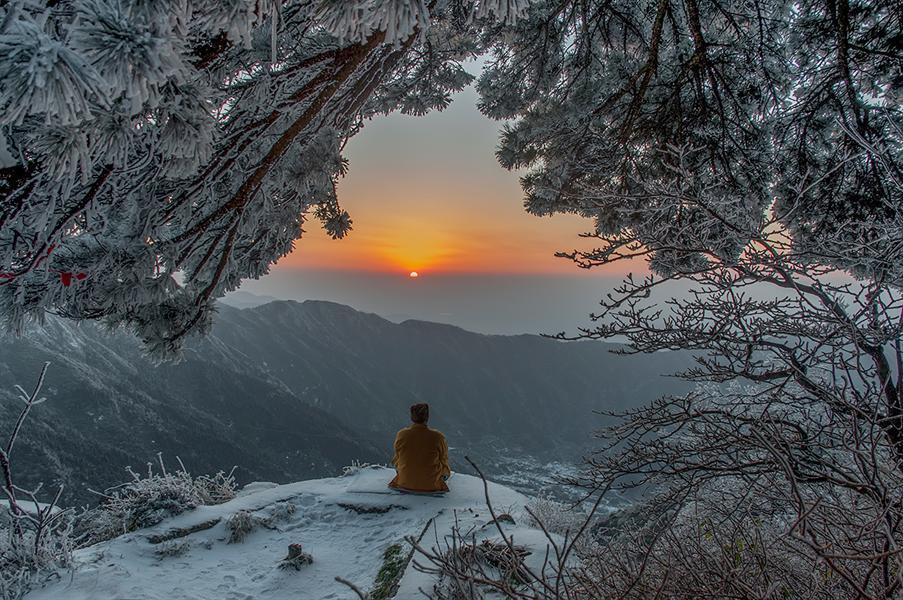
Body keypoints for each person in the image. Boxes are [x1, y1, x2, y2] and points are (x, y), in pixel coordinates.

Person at [389, 403, 451, 493]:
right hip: (432, 486)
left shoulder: (402, 434)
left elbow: (397, 456)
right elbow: (443, 458)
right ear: (427, 417)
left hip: (404, 483)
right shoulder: (438, 436)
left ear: (412, 417)